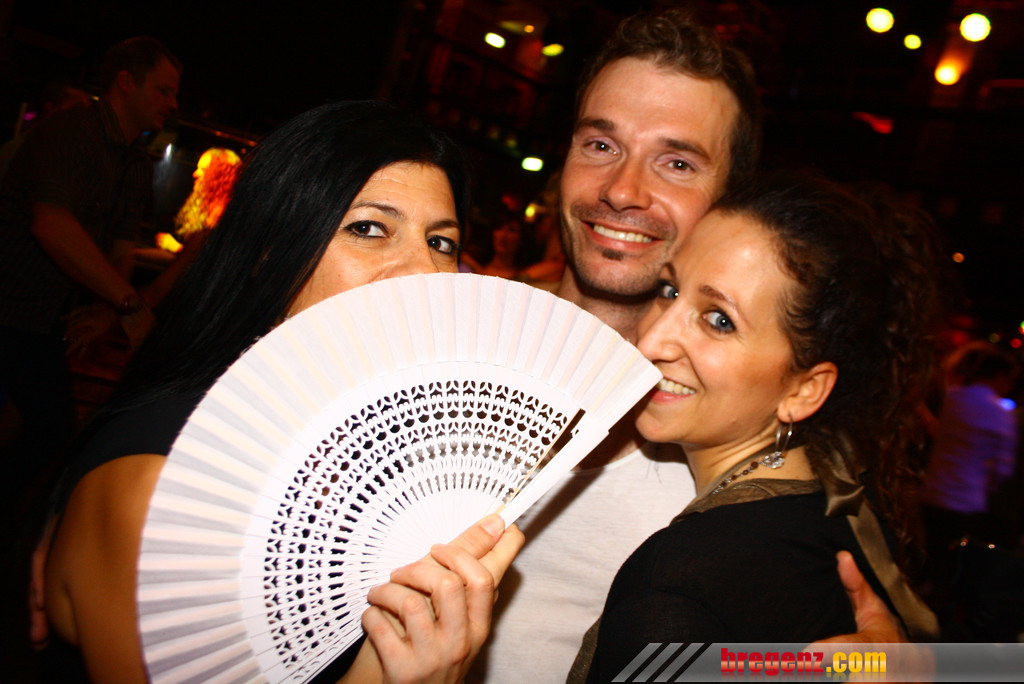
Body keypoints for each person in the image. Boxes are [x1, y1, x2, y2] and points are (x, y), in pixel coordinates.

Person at [470, 10, 902, 681]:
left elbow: (883, 641)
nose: (621, 190)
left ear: (730, 202)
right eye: (600, 144)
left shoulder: (744, 465)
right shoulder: (450, 340)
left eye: (676, 162)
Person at [31, 100, 523, 684]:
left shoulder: (371, 453)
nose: (425, 272)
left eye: (441, 242)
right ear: (270, 253)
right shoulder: (163, 488)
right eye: (367, 228)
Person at [578, 171, 940, 680]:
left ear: (805, 389)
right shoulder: (843, 497)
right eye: (669, 289)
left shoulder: (676, 586)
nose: (653, 340)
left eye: (719, 320)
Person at [0, 37, 181, 485]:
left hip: (41, 325)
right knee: (48, 433)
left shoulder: (135, 162)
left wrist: (107, 310)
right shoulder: (70, 133)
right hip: (8, 308)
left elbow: (120, 250)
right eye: (163, 90)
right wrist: (129, 306)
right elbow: (51, 224)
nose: (172, 104)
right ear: (126, 82)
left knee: (48, 434)